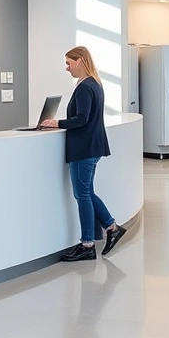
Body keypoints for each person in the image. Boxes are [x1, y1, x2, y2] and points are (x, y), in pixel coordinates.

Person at [41, 46, 126, 262]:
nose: (66, 68)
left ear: (80, 61)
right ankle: (112, 227)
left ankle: (88, 244)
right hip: (91, 147)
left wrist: (56, 123)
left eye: (69, 63)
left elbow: (82, 119)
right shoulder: (94, 84)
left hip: (84, 148)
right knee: (87, 192)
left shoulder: (85, 87)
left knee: (83, 194)